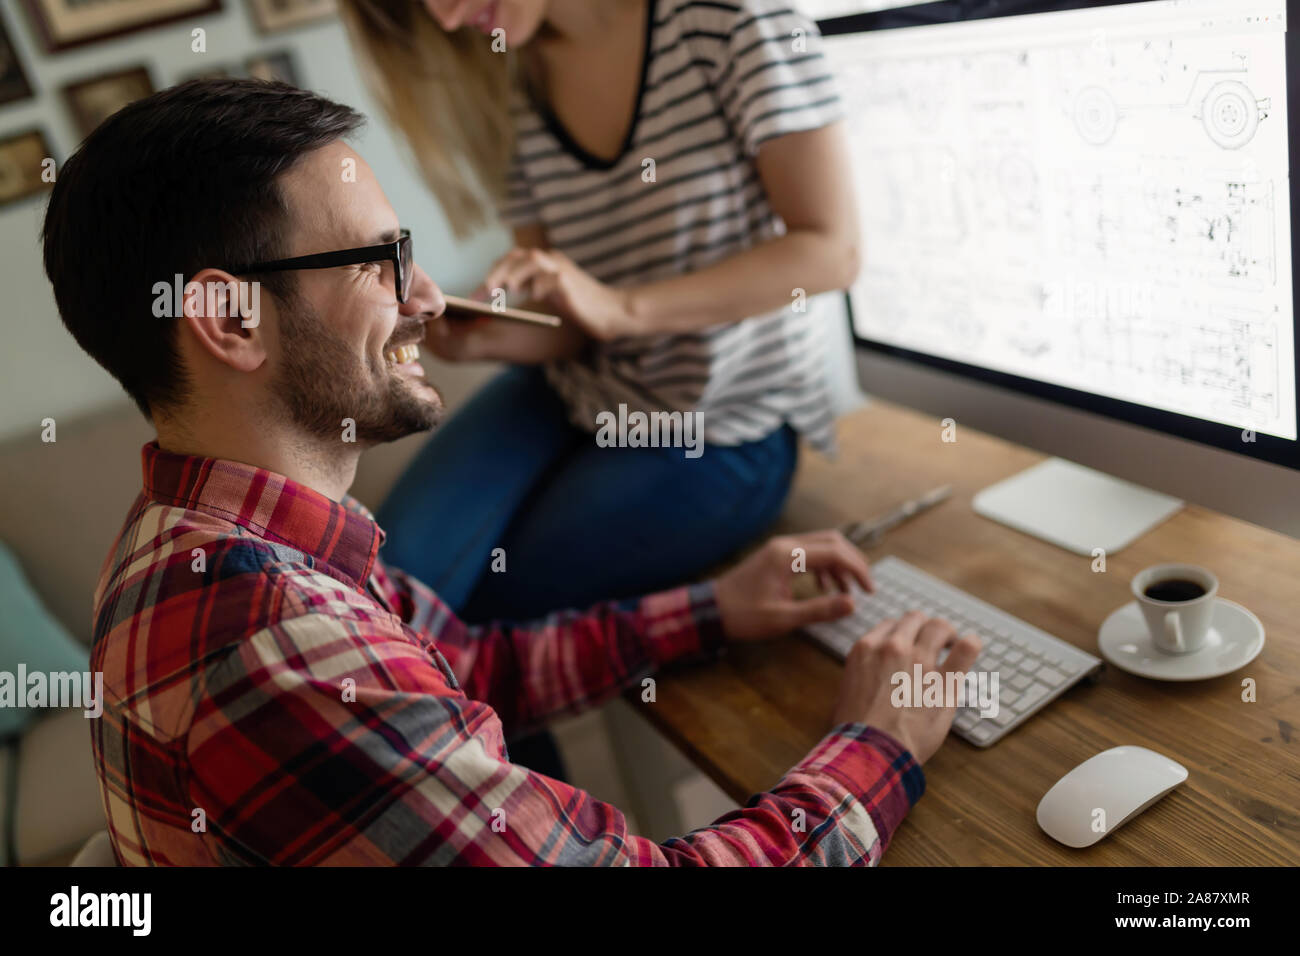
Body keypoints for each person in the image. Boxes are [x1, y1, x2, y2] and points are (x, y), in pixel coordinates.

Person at [43, 79, 979, 865]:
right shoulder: (279, 641)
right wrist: (880, 740)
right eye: (382, 261)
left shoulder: (210, 535)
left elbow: (467, 669)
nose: (426, 299)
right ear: (230, 320)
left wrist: (714, 608)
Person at [340, 0, 859, 620]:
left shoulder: (732, 24)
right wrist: (484, 341)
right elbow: (572, 328)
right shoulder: (515, 81)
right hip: (570, 393)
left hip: (717, 426)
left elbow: (833, 250)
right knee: (383, 589)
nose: (447, 20)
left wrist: (623, 309)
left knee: (488, 612)